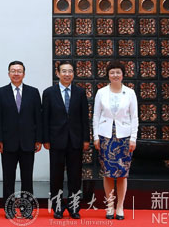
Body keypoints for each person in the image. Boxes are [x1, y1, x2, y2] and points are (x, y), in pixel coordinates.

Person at [0, 60, 42, 219]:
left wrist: (38, 139)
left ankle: (27, 209)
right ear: (8, 73)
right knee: (8, 178)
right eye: (13, 71)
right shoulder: (0, 92)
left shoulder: (33, 92)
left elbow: (38, 117)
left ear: (24, 74)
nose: (16, 73)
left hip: (28, 141)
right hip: (7, 142)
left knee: (27, 178)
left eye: (19, 71)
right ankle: (9, 209)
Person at [42, 61, 89, 219]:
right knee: (56, 176)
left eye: (70, 71)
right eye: (64, 71)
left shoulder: (80, 92)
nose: (67, 74)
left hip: (75, 140)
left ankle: (74, 208)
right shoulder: (49, 93)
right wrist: (45, 139)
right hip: (56, 140)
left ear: (73, 74)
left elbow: (84, 118)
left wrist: (86, 139)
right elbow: (45, 117)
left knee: (75, 176)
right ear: (58, 73)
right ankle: (57, 207)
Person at [93, 60, 138, 221]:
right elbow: (96, 115)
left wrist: (133, 138)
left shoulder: (130, 93)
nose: (115, 75)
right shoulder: (101, 92)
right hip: (105, 137)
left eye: (118, 72)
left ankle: (120, 207)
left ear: (123, 75)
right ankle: (110, 206)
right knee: (107, 173)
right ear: (108, 75)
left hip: (124, 137)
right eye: (112, 72)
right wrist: (95, 136)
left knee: (122, 174)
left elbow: (134, 117)